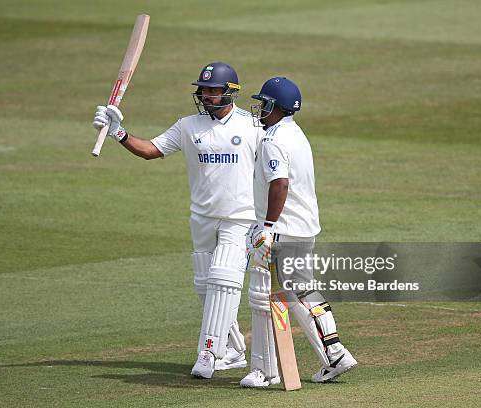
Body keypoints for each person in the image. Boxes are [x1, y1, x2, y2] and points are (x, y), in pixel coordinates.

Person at [92, 62, 262, 379]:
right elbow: (150, 150)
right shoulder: (187, 126)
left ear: (230, 92)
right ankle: (235, 351)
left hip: (240, 219)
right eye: (204, 90)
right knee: (206, 288)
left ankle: (209, 353)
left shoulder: (253, 126)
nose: (207, 96)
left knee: (224, 279)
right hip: (201, 219)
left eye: (213, 91)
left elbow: (276, 169)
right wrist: (118, 132)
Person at [240, 77, 357, 387]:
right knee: (302, 292)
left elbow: (280, 184)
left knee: (285, 295)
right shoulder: (295, 133)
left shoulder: (273, 140)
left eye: (264, 104)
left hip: (283, 228)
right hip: (302, 226)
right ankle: (333, 355)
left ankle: (271, 368)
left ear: (277, 108)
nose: (260, 109)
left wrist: (267, 227)